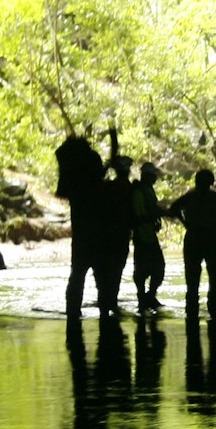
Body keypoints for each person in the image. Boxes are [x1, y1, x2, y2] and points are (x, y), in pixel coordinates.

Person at [55, 135, 107, 318]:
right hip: (98, 229)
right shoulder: (91, 159)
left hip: (80, 232)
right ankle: (105, 313)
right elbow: (99, 181)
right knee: (101, 275)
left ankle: (73, 312)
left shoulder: (72, 174)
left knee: (77, 274)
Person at [169, 168, 216, 317]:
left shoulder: (190, 197)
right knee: (215, 277)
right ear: (211, 182)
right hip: (210, 237)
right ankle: (215, 310)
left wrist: (185, 223)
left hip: (194, 236)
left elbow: (173, 208)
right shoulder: (215, 197)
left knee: (192, 277)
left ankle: (192, 311)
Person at [97, 139, 135, 314]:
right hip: (120, 234)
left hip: (106, 235)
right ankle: (110, 301)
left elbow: (98, 180)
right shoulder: (130, 188)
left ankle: (106, 301)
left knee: (106, 271)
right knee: (116, 270)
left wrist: (108, 164)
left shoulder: (107, 187)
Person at [130, 161, 167, 313]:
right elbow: (138, 216)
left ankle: (148, 296)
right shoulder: (138, 192)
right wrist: (156, 215)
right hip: (142, 236)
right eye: (154, 176)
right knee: (149, 269)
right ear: (148, 176)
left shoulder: (147, 190)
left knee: (154, 268)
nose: (156, 178)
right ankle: (144, 297)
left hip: (148, 235)